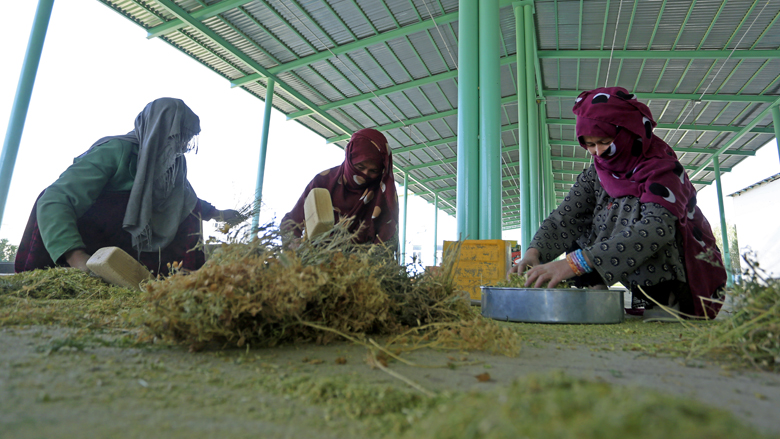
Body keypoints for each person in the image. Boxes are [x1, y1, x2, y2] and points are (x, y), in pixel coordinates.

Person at [510, 87, 727, 320]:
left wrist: (574, 264)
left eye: (604, 141)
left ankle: (664, 298)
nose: (598, 152)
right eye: (590, 145)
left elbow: (656, 229)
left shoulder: (662, 170)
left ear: (628, 132)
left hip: (686, 277)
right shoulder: (597, 171)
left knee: (626, 207)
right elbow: (565, 216)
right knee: (581, 215)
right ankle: (593, 288)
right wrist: (535, 252)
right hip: (624, 260)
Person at [15, 98, 241, 275]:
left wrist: (219, 214)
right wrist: (78, 258)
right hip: (93, 246)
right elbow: (55, 199)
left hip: (133, 251)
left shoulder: (174, 164)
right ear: (157, 129)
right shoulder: (116, 151)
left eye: (188, 140)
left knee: (188, 215)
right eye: (177, 137)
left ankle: (174, 277)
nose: (182, 147)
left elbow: (186, 201)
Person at [281, 128, 399, 246]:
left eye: (373, 170)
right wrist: (294, 246)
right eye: (359, 167)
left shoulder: (383, 195)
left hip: (362, 262)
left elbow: (387, 241)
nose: (365, 175)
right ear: (348, 158)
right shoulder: (323, 183)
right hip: (316, 261)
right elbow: (291, 223)